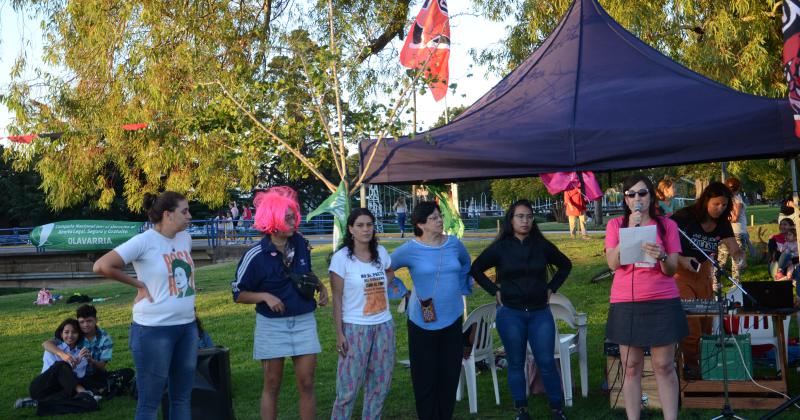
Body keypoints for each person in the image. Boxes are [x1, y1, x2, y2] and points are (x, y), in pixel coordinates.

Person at [93, 191, 198, 420]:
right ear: (168, 215)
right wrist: (139, 284)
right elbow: (102, 265)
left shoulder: (185, 238)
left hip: (187, 327)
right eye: (185, 211)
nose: (190, 215)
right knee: (149, 403)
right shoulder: (145, 241)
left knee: (182, 398)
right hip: (153, 331)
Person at [231, 186, 329, 420]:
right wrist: (264, 296)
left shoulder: (301, 244)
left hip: (304, 321)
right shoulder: (255, 255)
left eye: (294, 214)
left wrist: (321, 287)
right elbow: (237, 293)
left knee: (306, 383)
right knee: (272, 384)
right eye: (288, 217)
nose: (295, 219)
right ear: (272, 219)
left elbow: (306, 273)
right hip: (272, 326)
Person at [470, 199, 572, 420]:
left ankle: (557, 408)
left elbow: (566, 265)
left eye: (529, 216)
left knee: (546, 361)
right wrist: (493, 290)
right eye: (520, 216)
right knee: (515, 362)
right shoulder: (501, 248)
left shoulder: (542, 246)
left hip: (540, 313)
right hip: (511, 314)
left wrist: (551, 287)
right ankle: (521, 410)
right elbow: (475, 269)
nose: (525, 221)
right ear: (511, 219)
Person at [605, 175, 687, 420]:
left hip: (661, 300)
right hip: (626, 300)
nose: (637, 199)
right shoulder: (615, 225)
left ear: (651, 197)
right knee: (631, 367)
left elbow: (672, 269)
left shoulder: (667, 226)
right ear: (625, 199)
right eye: (631, 194)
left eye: (642, 193)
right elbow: (612, 263)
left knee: (663, 366)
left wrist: (662, 255)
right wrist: (629, 230)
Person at [389, 201, 472, 420]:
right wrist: (402, 292)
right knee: (425, 376)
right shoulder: (410, 248)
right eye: (433, 218)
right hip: (421, 322)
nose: (439, 220)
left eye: (439, 216)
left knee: (449, 374)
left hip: (452, 318)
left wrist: (463, 286)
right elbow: (385, 269)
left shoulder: (454, 244)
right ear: (420, 224)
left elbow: (465, 263)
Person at [329, 208, 395, 420]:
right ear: (351, 229)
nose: (366, 229)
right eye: (360, 225)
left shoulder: (381, 253)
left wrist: (379, 286)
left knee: (379, 385)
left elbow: (390, 272)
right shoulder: (341, 259)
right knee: (348, 388)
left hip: (384, 325)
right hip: (355, 328)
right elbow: (337, 298)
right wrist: (339, 333)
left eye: (369, 225)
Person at [670, 182, 740, 378]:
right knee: (690, 323)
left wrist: (739, 257)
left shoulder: (723, 224)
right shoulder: (685, 216)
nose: (720, 209)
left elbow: (734, 248)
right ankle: (693, 368)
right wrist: (681, 259)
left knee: (706, 322)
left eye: (724, 205)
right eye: (716, 204)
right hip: (680, 272)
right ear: (706, 200)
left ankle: (707, 364)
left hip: (705, 272)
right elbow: (664, 238)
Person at [41, 304, 113, 395]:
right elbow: (46, 343)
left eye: (89, 321)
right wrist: (64, 355)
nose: (85, 325)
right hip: (74, 374)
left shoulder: (105, 338)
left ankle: (98, 389)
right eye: (82, 322)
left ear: (96, 320)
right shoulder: (74, 333)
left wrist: (91, 360)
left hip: (92, 373)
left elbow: (102, 366)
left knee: (121, 375)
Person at [19, 319, 90, 408]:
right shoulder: (53, 349)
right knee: (60, 365)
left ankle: (37, 403)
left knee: (72, 393)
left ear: (79, 335)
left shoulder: (80, 355)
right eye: (66, 332)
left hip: (59, 390)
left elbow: (77, 378)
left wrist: (78, 362)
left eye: (74, 332)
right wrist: (64, 356)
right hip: (43, 385)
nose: (70, 335)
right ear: (61, 334)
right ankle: (83, 393)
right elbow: (56, 372)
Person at [717, 178, 748, 279]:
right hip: (738, 232)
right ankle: (736, 286)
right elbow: (735, 218)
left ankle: (714, 284)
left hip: (726, 232)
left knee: (721, 260)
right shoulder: (737, 199)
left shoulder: (724, 199)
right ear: (738, 188)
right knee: (736, 261)